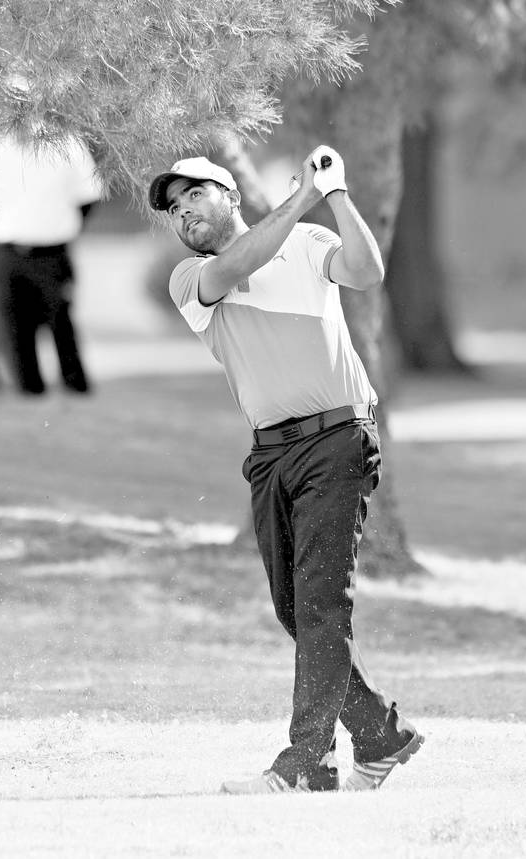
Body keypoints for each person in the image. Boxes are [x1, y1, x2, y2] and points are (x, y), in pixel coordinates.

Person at [148, 148, 424, 794]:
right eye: (175, 207)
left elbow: (366, 271)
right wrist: (301, 196)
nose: (184, 212)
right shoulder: (192, 279)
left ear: (229, 196)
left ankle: (306, 761)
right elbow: (239, 264)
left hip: (338, 439)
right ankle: (380, 734)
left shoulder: (306, 244)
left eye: (195, 195)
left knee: (321, 604)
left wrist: (336, 193)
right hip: (271, 457)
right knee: (297, 610)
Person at [0, 131, 103, 395]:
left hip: (53, 252)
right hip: (8, 252)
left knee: (61, 321)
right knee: (15, 328)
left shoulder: (68, 140)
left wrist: (64, 227)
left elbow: (89, 194)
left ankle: (75, 387)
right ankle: (29, 391)